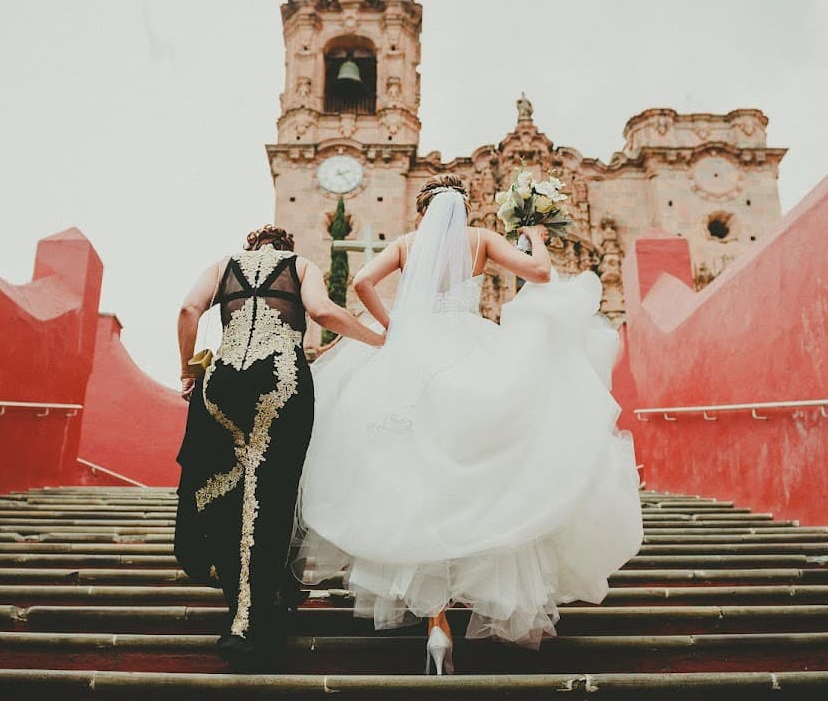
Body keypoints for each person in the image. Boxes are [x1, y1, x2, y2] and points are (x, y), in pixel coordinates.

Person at [294, 176, 643, 673]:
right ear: (463, 208)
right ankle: (473, 601)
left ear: (422, 213)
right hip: (469, 348)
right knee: (479, 477)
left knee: (417, 478)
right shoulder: (480, 240)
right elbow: (540, 274)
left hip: (413, 354)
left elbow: (360, 283)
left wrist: (394, 326)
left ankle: (436, 625)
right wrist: (536, 233)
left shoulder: (407, 244)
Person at [173, 224, 384, 673]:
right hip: (280, 380)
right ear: (285, 248)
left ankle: (241, 600)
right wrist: (379, 340)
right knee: (271, 492)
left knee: (228, 487)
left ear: (252, 247)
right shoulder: (300, 265)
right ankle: (252, 620)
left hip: (222, 382)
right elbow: (323, 312)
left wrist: (189, 371)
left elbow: (189, 309)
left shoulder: (222, 265)